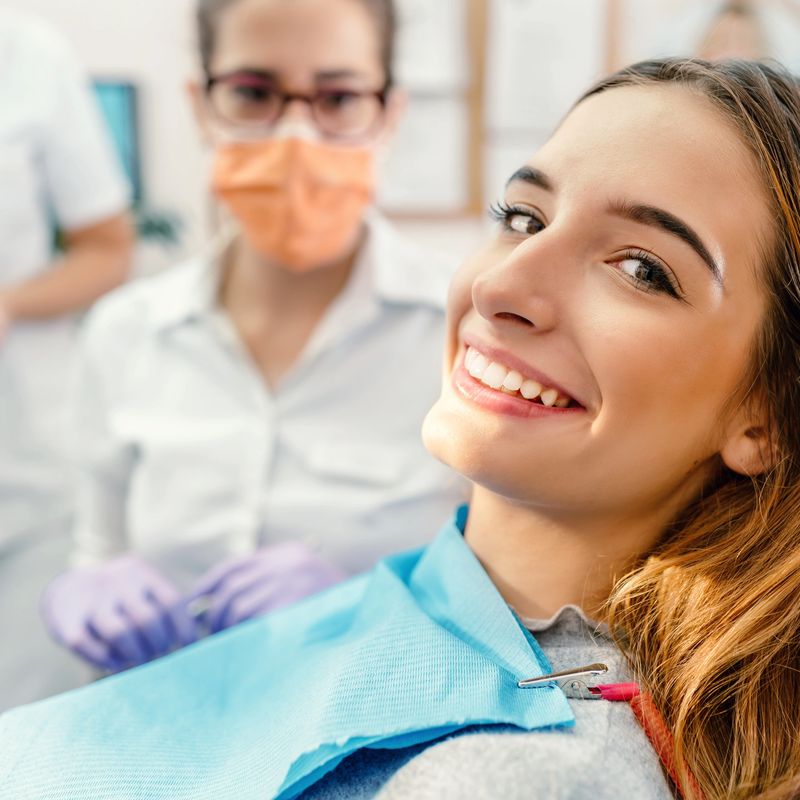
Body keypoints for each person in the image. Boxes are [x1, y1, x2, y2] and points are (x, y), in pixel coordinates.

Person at [5, 56, 800, 799]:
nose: (501, 285)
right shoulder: (443, 616)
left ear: (765, 412)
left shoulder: (521, 772)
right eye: (523, 218)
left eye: (641, 268)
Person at [41, 0, 465, 674]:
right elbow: (101, 551)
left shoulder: (468, 338)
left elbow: (513, 599)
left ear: (389, 113)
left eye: (339, 97)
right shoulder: (125, 333)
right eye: (252, 92)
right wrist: (88, 587)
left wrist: (374, 604)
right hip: (167, 731)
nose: (295, 133)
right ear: (200, 104)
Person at [0, 9, 133, 710]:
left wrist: (10, 303)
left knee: (24, 730)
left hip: (23, 472)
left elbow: (108, 248)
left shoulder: (26, 55)